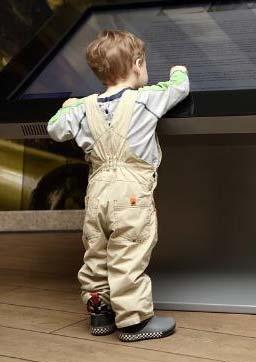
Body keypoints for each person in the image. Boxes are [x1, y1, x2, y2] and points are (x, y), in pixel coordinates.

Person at [47, 29, 190, 341]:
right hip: (131, 195)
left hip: (97, 192)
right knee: (129, 253)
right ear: (138, 64)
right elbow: (179, 88)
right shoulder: (146, 99)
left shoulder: (83, 107)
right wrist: (179, 70)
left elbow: (55, 129)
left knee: (96, 251)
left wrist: (68, 105)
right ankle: (134, 322)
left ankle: (100, 312)